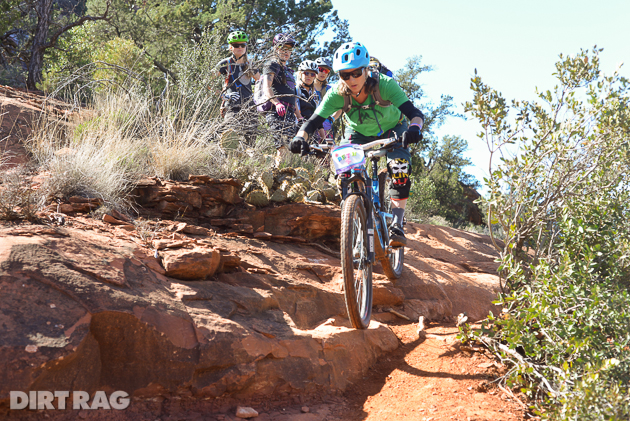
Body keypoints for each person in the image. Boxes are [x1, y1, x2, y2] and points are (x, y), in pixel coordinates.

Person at [290, 42, 425, 247]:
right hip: (357, 132)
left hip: (393, 129)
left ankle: (397, 223)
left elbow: (415, 114)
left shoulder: (385, 85)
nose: (351, 80)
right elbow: (313, 121)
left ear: (366, 70)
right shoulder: (337, 93)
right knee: (345, 172)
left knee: (399, 168)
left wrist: (414, 129)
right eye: (345, 75)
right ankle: (353, 215)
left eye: (356, 73)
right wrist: (301, 137)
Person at [261, 33, 303, 164]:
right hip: (277, 112)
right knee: (282, 147)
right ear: (275, 48)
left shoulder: (289, 71)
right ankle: (277, 175)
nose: (286, 51)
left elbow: (292, 96)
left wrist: (299, 116)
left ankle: (282, 175)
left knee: (289, 149)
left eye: (289, 49)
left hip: (289, 113)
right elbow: (266, 87)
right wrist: (276, 103)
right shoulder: (272, 64)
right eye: (282, 48)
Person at [216, 31, 261, 145]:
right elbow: (206, 81)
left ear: (246, 47)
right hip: (232, 106)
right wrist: (223, 96)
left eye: (243, 45)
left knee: (251, 142)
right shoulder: (225, 63)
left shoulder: (250, 64)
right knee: (229, 138)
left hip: (249, 107)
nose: (240, 47)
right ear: (230, 47)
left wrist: (257, 97)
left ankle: (247, 162)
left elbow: (261, 82)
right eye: (236, 45)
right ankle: (227, 162)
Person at [296, 60, 326, 142]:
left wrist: (323, 138)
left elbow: (318, 117)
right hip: (297, 130)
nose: (309, 76)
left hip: (312, 133)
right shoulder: (296, 90)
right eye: (306, 73)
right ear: (300, 74)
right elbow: (293, 107)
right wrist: (300, 120)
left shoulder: (315, 95)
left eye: (312, 74)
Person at [313, 57, 338, 141]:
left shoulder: (331, 89)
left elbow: (340, 106)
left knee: (328, 152)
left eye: (326, 71)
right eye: (320, 69)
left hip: (327, 129)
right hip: (311, 127)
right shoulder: (307, 87)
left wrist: (332, 118)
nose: (323, 73)